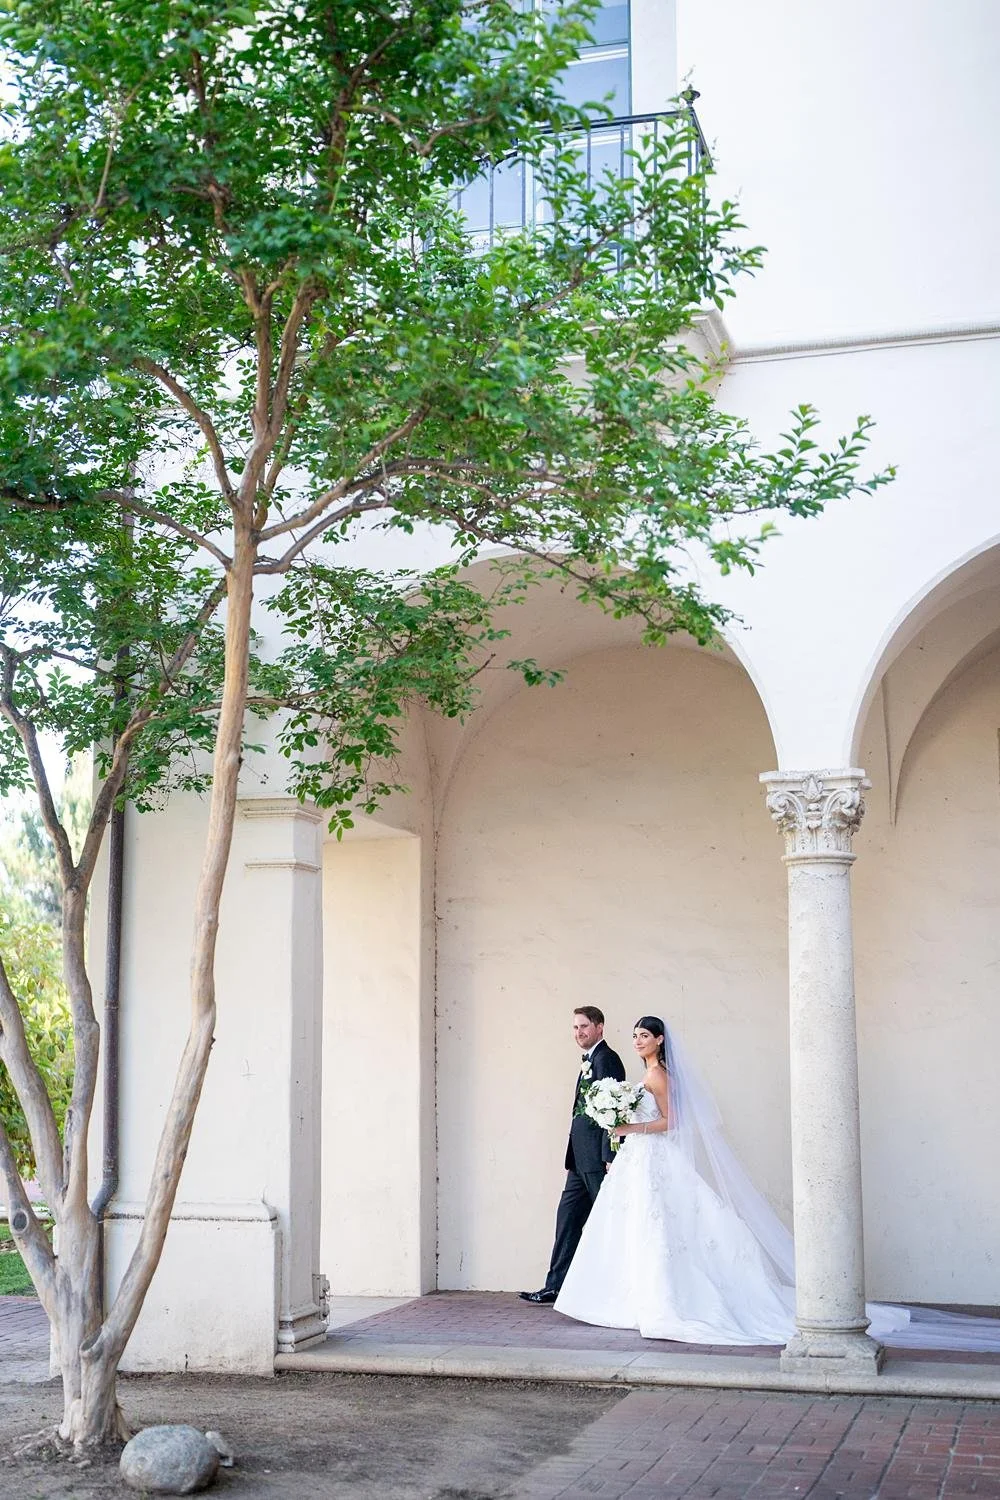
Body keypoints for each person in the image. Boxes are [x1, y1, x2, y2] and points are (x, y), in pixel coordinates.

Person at [554, 1015, 1000, 1353]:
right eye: (634, 1036)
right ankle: (626, 1296)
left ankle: (661, 1299)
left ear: (660, 1041)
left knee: (665, 1229)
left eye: (644, 1036)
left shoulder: (658, 1076)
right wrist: (622, 1123)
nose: (638, 1042)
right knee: (640, 1228)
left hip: (653, 1155)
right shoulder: (644, 1076)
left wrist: (630, 1129)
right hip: (640, 1162)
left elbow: (674, 1123)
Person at [519, 1006, 626, 1306]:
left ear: (600, 1028)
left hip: (596, 1159)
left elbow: (613, 1109)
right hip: (578, 1160)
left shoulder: (608, 1059)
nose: (579, 1033)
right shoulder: (590, 1060)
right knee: (567, 1219)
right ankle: (555, 1286)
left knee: (608, 1221)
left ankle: (620, 1287)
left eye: (584, 1027)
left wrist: (609, 1155)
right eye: (575, 1028)